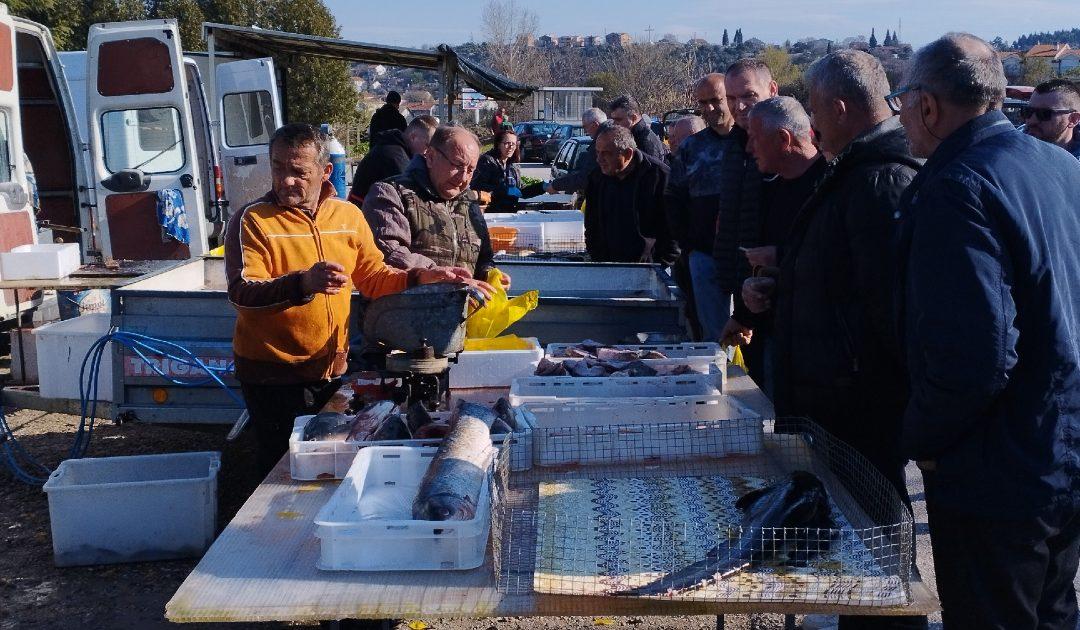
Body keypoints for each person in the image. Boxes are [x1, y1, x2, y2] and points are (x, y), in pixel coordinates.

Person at [894, 33, 1080, 630]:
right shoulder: (1059, 166)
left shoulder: (958, 185)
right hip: (1058, 447)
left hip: (998, 467)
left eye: (904, 102)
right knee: (1052, 612)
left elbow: (973, 356)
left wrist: (921, 437)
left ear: (927, 105)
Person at [225, 124, 492, 477]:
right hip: (272, 375)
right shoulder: (252, 221)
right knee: (281, 470)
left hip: (331, 368)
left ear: (325, 172)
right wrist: (303, 283)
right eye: (278, 169)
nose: (287, 180)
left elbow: (374, 279)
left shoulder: (347, 217)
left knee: (327, 464)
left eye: (299, 172)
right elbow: (243, 294)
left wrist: (422, 276)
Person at [722, 97, 826, 395]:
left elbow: (835, 263)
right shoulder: (768, 188)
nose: (748, 148)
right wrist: (745, 310)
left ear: (783, 139)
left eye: (754, 139)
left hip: (816, 351)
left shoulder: (828, 187)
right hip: (776, 331)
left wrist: (781, 257)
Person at [665, 72, 759, 343]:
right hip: (705, 253)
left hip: (749, 255)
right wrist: (688, 244)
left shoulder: (752, 142)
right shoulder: (692, 147)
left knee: (750, 333)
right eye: (702, 103)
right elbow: (673, 197)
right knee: (715, 335)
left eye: (716, 100)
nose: (709, 109)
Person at [362, 125, 509, 287]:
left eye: (471, 170)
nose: (464, 177)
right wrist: (438, 273)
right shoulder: (391, 193)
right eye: (458, 165)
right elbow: (388, 251)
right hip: (403, 308)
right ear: (431, 157)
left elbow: (484, 257)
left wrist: (489, 274)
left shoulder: (468, 201)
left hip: (459, 308)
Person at [584, 123, 678, 265]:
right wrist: (599, 260)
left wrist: (660, 263)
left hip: (650, 270)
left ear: (628, 154)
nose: (599, 159)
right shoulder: (597, 178)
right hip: (607, 268)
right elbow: (592, 225)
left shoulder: (660, 177)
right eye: (597, 152)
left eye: (606, 153)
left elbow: (674, 230)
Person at [347, 115, 437, 206]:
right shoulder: (394, 156)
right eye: (427, 145)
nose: (427, 152)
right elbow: (410, 193)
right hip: (364, 213)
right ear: (413, 137)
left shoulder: (392, 146)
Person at [545, 107, 607, 196]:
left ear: (595, 125)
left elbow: (586, 177)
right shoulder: (611, 136)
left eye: (585, 127)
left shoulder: (600, 144)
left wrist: (555, 185)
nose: (585, 131)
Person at [1023, 79, 1080, 159]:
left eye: (1044, 113)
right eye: (1028, 111)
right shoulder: (1011, 148)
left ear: (1073, 119)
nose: (1032, 120)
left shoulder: (1076, 165)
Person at [471, 128, 523, 212]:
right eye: (507, 143)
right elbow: (477, 186)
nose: (511, 147)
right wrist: (504, 190)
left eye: (513, 144)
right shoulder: (486, 161)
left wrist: (541, 188)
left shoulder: (513, 166)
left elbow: (520, 189)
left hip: (511, 213)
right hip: (490, 212)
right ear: (498, 144)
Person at [608, 94, 667, 160]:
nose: (614, 124)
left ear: (633, 118)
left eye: (618, 120)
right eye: (613, 120)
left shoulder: (646, 144)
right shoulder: (631, 137)